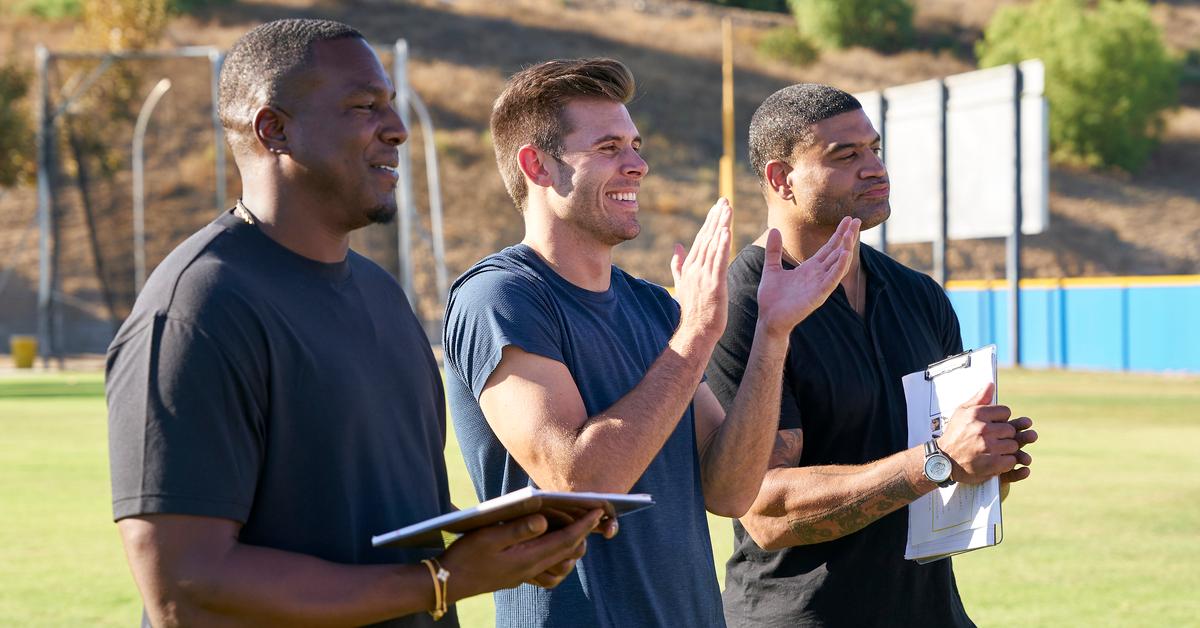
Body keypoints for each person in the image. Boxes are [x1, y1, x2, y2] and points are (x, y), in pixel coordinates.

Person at [105, 19, 600, 628]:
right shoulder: (196, 308)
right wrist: (442, 581)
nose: (397, 129)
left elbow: (372, 516)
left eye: (390, 105)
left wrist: (505, 542)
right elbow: (185, 586)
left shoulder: (381, 296)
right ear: (274, 129)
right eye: (365, 106)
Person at [441, 58, 859, 628]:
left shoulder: (654, 306)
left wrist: (772, 334)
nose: (638, 165)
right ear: (537, 165)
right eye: (609, 147)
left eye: (635, 145)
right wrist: (695, 335)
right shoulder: (500, 297)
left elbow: (731, 491)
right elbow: (581, 481)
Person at [705, 83, 1040, 627]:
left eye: (875, 149)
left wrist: (986, 466)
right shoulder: (738, 303)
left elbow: (936, 478)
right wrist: (939, 461)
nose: (874, 168)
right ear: (779, 178)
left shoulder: (918, 295)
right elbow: (764, 509)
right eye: (846, 155)